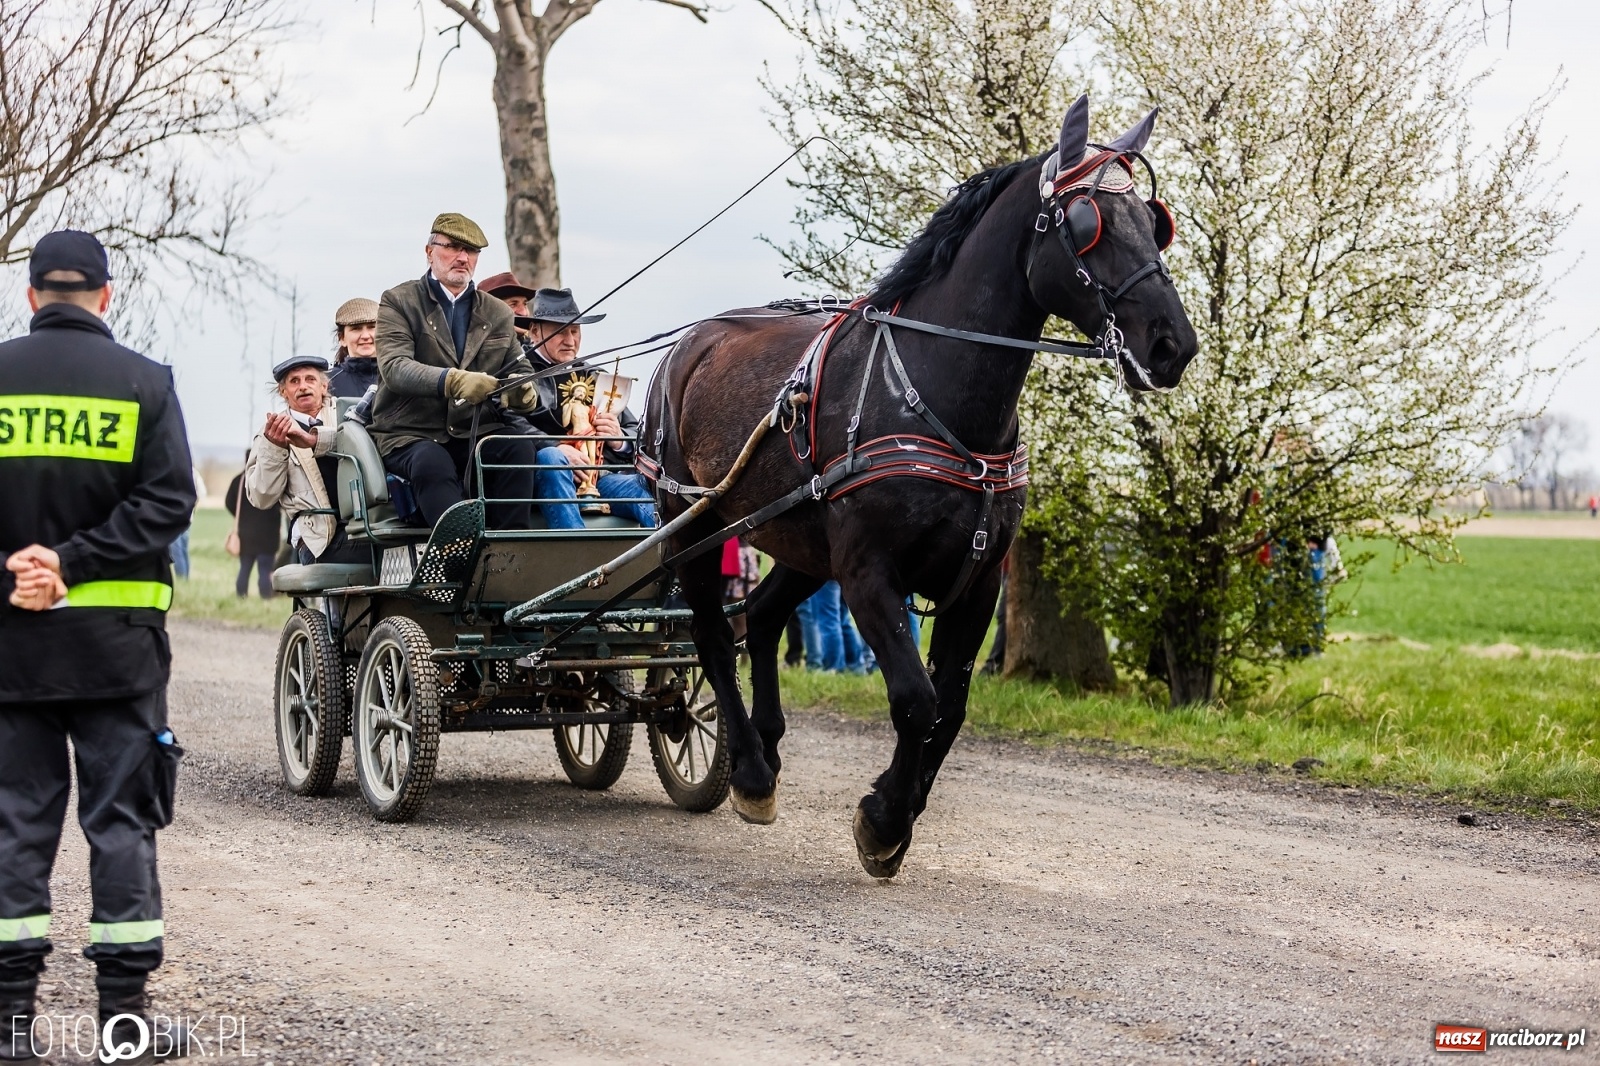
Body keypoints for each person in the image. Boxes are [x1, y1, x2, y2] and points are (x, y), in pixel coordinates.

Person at [0, 230, 195, 1061]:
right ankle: (125, 1026)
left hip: (11, 654)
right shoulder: (145, 383)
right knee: (120, 826)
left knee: (14, 826)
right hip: (118, 657)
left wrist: (25, 571)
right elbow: (168, 503)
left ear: (33, 295)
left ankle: (10, 1029)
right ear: (105, 298)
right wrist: (73, 563)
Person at [368, 213, 544, 530]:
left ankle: (509, 554)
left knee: (518, 448)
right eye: (452, 247)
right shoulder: (399, 302)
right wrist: (453, 380)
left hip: (473, 432)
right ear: (429, 251)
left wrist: (522, 390)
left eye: (472, 251)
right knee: (431, 462)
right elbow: (395, 368)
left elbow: (521, 368)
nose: (463, 258)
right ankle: (459, 552)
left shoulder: (498, 312)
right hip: (410, 433)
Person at [518, 288, 656, 529]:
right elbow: (509, 421)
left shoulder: (598, 376)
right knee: (551, 458)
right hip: (543, 479)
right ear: (535, 331)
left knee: (643, 486)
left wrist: (619, 439)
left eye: (575, 331)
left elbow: (638, 433)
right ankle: (577, 549)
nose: (570, 341)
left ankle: (668, 556)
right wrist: (556, 446)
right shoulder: (520, 375)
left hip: (601, 479)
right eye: (560, 332)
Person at [245, 355, 368, 566]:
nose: (303, 386)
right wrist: (276, 449)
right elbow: (261, 497)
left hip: (361, 526)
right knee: (380, 553)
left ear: (324, 386)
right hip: (317, 539)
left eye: (310, 379)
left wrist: (316, 440)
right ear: (283, 392)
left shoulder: (348, 416)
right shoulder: (270, 434)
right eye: (294, 381)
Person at [226, 455, 282, 597]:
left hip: (246, 534)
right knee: (265, 570)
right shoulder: (270, 480)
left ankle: (241, 596)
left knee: (244, 568)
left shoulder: (238, 481)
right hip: (268, 534)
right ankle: (266, 597)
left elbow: (229, 503)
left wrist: (241, 518)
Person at [326, 297, 380, 399]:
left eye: (372, 327)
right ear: (341, 338)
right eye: (356, 329)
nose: (365, 336)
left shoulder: (400, 378)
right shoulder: (327, 383)